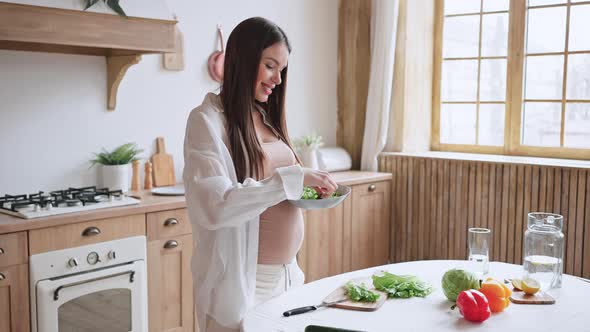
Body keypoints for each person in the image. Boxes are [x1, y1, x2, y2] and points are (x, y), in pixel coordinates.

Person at [183, 17, 338, 332]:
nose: (278, 79)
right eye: (270, 66)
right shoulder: (206, 121)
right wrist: (295, 178)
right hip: (244, 286)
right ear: (243, 59)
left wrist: (308, 188)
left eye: (281, 70)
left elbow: (277, 191)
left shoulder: (266, 116)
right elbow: (216, 206)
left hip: (288, 277)